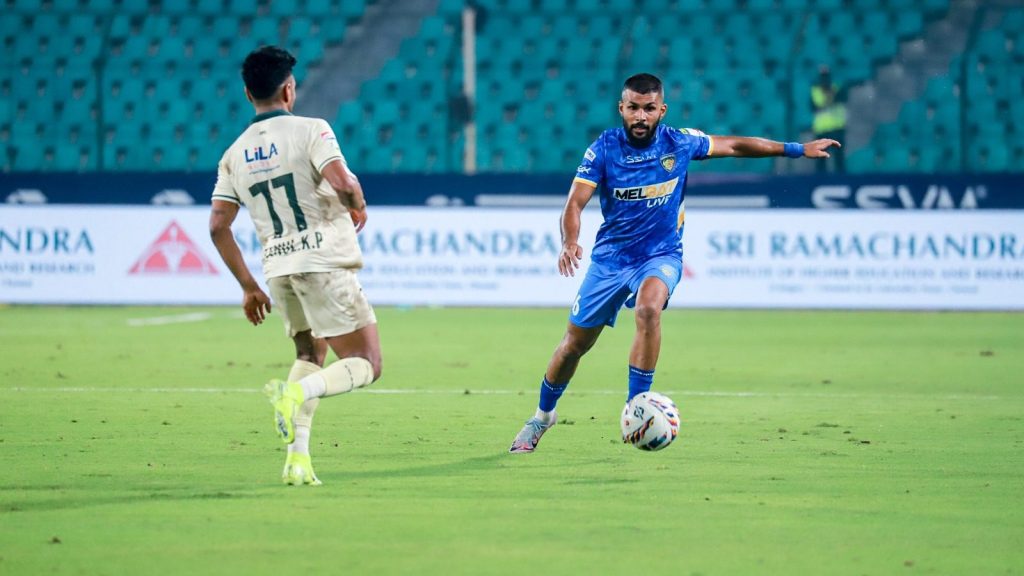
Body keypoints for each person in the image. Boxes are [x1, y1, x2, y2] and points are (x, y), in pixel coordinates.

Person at [508, 73, 839, 453]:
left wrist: (795, 149)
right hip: (611, 260)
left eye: (649, 109)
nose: (640, 116)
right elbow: (575, 203)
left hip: (661, 255)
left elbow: (733, 145)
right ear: (621, 108)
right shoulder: (602, 149)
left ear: (661, 110)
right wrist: (570, 241)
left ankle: (639, 406)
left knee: (649, 308)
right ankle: (542, 417)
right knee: (573, 345)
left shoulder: (679, 142)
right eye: (633, 107)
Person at [209, 46, 383, 484]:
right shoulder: (311, 129)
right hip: (322, 262)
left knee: (310, 352)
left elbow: (217, 227)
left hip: (278, 269)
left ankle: (297, 460)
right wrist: (356, 204)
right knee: (367, 362)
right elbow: (343, 181)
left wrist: (249, 287)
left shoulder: (233, 154)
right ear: (289, 88)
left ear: (249, 93)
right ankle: (296, 392)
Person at [810, 65, 846, 173]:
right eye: (823, 77)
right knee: (821, 159)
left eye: (826, 77)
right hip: (822, 130)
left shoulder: (837, 89)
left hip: (837, 128)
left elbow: (842, 99)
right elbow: (813, 107)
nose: (825, 80)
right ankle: (820, 180)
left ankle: (841, 180)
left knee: (839, 159)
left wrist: (832, 94)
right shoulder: (815, 91)